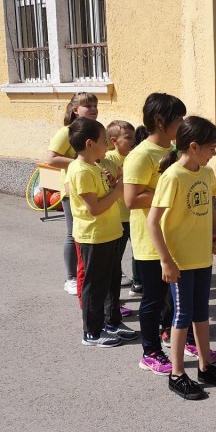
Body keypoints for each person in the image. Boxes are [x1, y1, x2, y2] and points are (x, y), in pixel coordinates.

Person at [147, 116, 216, 400]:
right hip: (180, 260)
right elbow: (152, 222)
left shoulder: (205, 174)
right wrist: (166, 261)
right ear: (193, 147)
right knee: (182, 316)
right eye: (211, 148)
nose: (214, 154)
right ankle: (177, 373)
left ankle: (206, 366)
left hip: (201, 257)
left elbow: (208, 208)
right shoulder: (172, 176)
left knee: (201, 312)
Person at [124, 93, 186, 375]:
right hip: (151, 242)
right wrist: (168, 193)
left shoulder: (175, 150)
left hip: (178, 236)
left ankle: (181, 341)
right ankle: (150, 351)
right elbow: (132, 199)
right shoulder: (140, 156)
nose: (182, 124)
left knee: (180, 297)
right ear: (161, 121)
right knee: (154, 297)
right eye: (178, 119)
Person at [66, 117, 138, 347]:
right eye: (103, 140)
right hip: (93, 236)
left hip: (110, 232)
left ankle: (112, 322)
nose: (107, 144)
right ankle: (92, 332)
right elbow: (94, 208)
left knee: (111, 282)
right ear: (89, 143)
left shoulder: (95, 165)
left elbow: (105, 191)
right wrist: (119, 189)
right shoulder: (81, 171)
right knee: (95, 285)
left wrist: (114, 181)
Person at [45, 92, 99, 295]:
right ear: (75, 110)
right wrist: (82, 163)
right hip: (71, 189)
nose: (93, 109)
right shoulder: (67, 131)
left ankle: (104, 272)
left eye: (95, 105)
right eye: (88, 106)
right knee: (73, 233)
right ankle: (71, 277)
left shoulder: (96, 129)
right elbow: (51, 159)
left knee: (97, 233)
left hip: (94, 186)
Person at [102, 120, 136, 316]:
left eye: (133, 137)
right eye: (128, 138)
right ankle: (113, 303)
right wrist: (114, 179)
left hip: (134, 216)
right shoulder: (108, 159)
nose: (132, 141)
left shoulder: (134, 156)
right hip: (118, 218)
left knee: (139, 254)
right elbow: (111, 185)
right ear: (114, 140)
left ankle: (137, 285)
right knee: (114, 261)